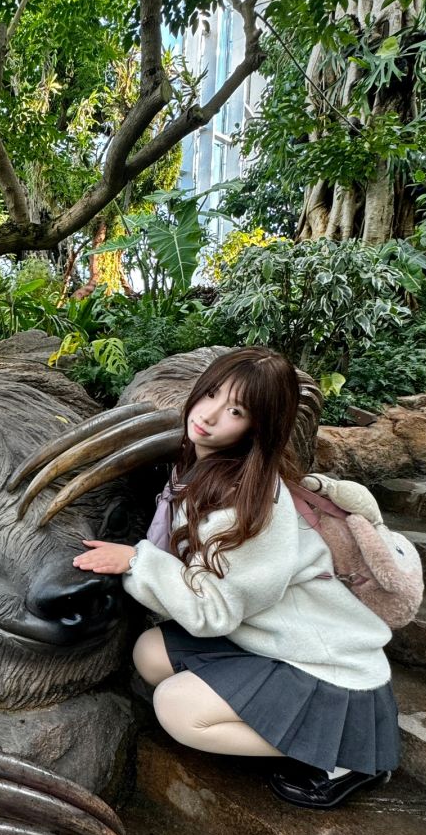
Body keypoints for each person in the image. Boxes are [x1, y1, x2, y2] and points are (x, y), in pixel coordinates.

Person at [72, 346, 399, 808]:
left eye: (236, 410)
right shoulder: (202, 470)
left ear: (257, 427)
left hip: (330, 671)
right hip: (269, 639)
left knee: (177, 709)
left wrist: (136, 563)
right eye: (210, 394)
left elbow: (213, 611)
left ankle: (350, 751)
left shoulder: (248, 504)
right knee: (150, 654)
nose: (209, 415)